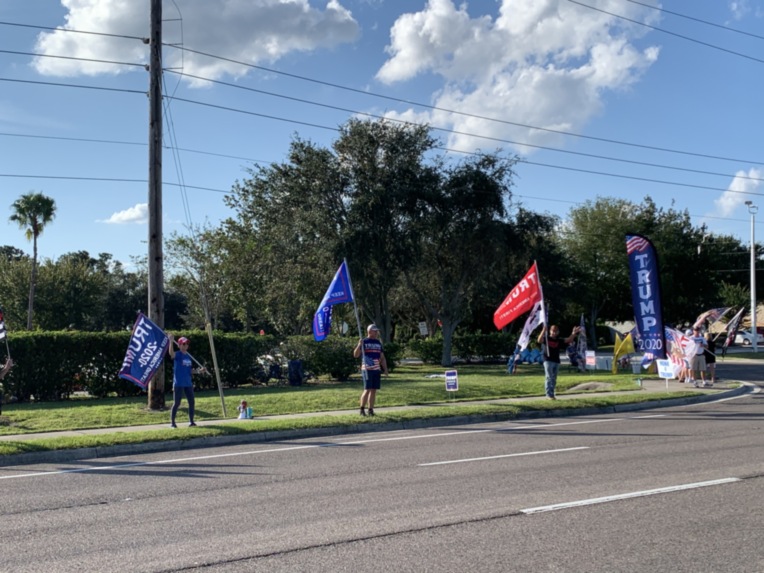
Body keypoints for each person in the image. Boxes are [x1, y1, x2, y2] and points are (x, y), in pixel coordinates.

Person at [167, 334, 206, 428]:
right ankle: (172, 423)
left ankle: (191, 422)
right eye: (183, 344)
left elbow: (190, 371)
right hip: (179, 383)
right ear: (179, 345)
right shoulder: (178, 355)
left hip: (188, 383)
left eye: (187, 344)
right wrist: (171, 342)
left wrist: (199, 371)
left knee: (192, 402)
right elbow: (171, 354)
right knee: (177, 403)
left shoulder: (188, 357)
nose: (185, 346)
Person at [537, 324, 581, 400]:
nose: (554, 333)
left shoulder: (559, 340)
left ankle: (552, 393)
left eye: (555, 331)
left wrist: (574, 333)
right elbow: (539, 340)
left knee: (554, 378)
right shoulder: (546, 339)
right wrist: (543, 331)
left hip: (556, 361)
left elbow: (568, 340)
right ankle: (549, 394)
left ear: (558, 332)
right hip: (547, 360)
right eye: (552, 331)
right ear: (550, 331)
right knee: (549, 377)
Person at [354, 324, 389, 416]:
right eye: (375, 331)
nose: (376, 332)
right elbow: (356, 355)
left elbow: (382, 357)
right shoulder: (364, 341)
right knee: (367, 389)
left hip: (376, 369)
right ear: (369, 331)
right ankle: (362, 409)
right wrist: (359, 345)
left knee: (374, 390)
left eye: (377, 331)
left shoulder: (378, 343)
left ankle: (371, 409)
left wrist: (385, 369)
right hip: (367, 369)